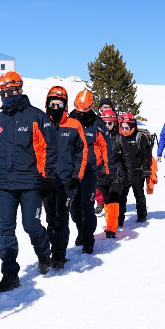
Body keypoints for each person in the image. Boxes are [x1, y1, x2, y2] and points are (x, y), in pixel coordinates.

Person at [0, 72, 58, 290]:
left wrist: (46, 177)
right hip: (4, 185)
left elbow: (48, 148)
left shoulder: (37, 117)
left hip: (30, 183)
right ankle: (10, 275)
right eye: (3, 93)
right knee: (6, 230)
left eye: (11, 91)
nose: (8, 96)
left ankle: (44, 253)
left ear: (20, 90)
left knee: (31, 225)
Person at [42, 85, 87, 269]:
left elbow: (82, 153)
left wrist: (77, 176)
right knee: (49, 219)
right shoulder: (41, 122)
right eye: (53, 103)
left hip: (66, 182)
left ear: (65, 105)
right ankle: (47, 253)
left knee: (61, 219)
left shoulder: (74, 125)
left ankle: (59, 256)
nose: (56, 107)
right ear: (47, 103)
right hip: (46, 181)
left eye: (59, 104)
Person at [68, 90, 113, 254]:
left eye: (84, 110)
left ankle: (88, 239)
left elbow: (106, 147)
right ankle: (81, 230)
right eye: (78, 109)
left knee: (87, 206)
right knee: (73, 208)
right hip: (72, 171)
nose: (81, 113)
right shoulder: (69, 121)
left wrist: (107, 169)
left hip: (90, 171)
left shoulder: (97, 123)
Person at [97, 110, 135, 236]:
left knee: (113, 200)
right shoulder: (96, 137)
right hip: (102, 174)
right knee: (106, 202)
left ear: (114, 124)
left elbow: (126, 158)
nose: (107, 125)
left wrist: (129, 176)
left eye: (110, 123)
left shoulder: (119, 138)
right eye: (105, 123)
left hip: (117, 174)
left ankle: (112, 229)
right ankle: (109, 224)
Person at [117, 112, 151, 222]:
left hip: (137, 171)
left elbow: (146, 153)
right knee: (121, 196)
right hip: (124, 171)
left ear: (132, 126)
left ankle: (142, 215)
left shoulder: (140, 137)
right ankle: (120, 218)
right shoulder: (119, 137)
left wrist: (146, 168)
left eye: (127, 128)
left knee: (139, 194)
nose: (124, 130)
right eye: (122, 128)